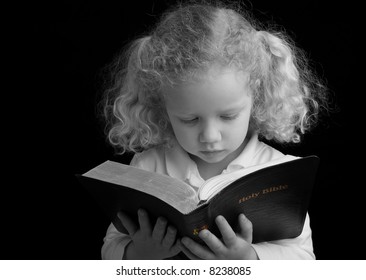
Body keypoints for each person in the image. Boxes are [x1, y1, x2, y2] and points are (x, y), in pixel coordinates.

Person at [100, 1, 327, 260]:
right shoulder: (147, 166)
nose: (210, 136)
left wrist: (249, 260)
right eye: (189, 119)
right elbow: (110, 250)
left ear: (257, 99)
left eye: (228, 116)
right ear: (163, 108)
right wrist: (140, 254)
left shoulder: (280, 170)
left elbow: (305, 261)